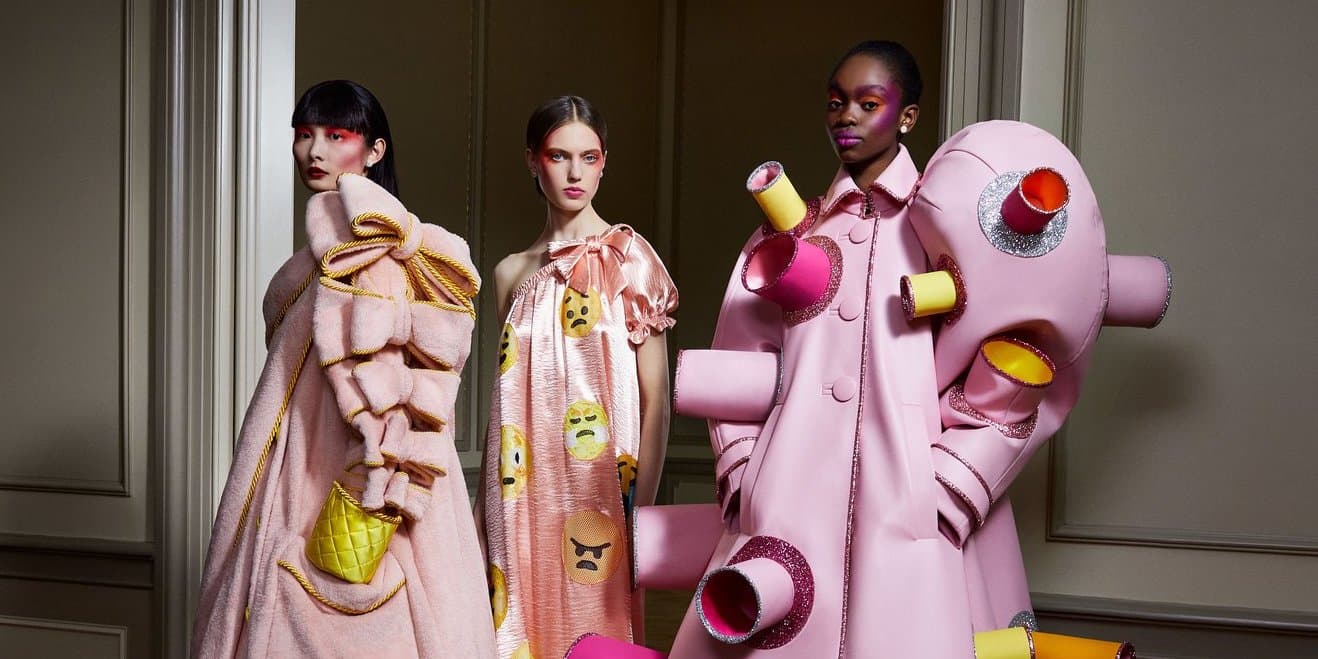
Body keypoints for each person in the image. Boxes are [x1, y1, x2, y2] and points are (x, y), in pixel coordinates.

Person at [192, 79, 495, 657]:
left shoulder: (375, 256)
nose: (315, 151)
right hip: (297, 468)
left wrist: (366, 500)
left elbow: (396, 400)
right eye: (304, 135)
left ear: (375, 151)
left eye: (336, 136)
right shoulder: (317, 259)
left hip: (349, 485)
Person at [478, 95, 678, 659]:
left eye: (588, 157)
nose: (574, 173)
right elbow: (506, 403)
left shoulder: (630, 257)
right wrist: (482, 508)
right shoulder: (510, 273)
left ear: (603, 163)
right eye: (558, 156)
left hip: (603, 493)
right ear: (532, 160)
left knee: (600, 636)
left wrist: (643, 510)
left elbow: (657, 399)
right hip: (520, 490)